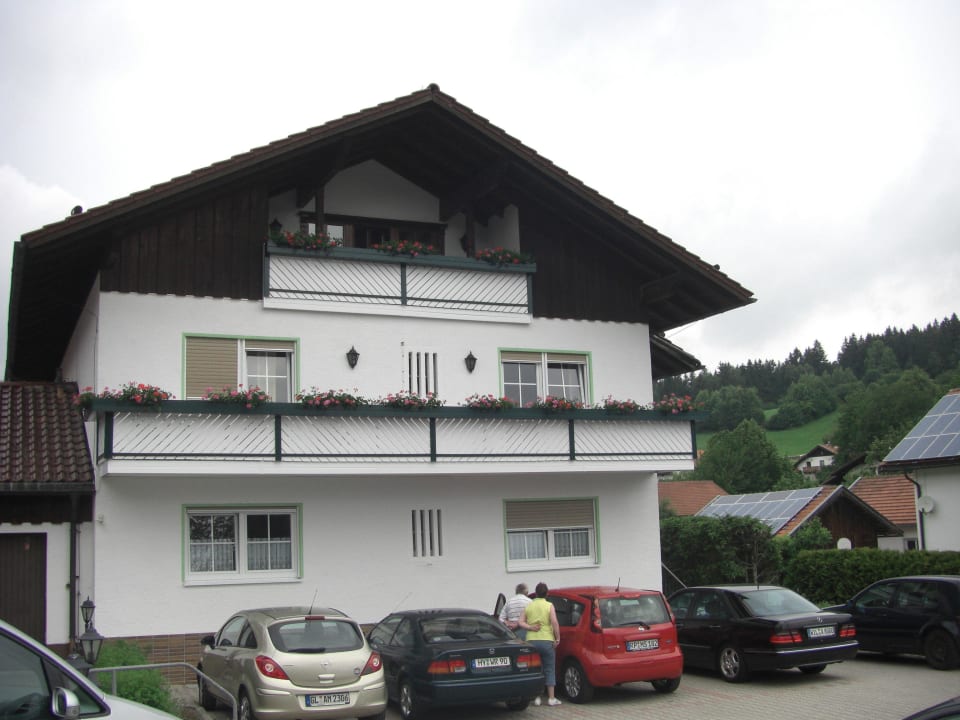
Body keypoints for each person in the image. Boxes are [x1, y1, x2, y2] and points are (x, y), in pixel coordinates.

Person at [521, 582, 562, 706]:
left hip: (531, 641)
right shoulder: (549, 605)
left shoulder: (529, 605)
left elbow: (520, 622)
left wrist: (530, 627)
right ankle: (551, 698)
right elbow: (554, 622)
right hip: (546, 640)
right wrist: (557, 638)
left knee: (536, 669)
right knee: (549, 668)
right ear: (547, 593)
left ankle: (537, 698)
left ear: (536, 593)